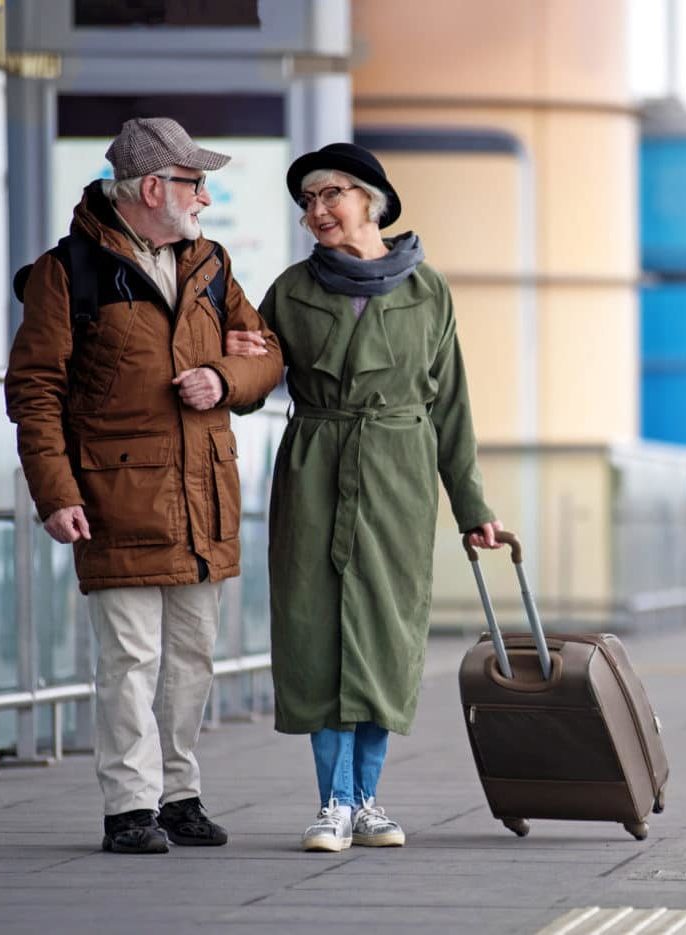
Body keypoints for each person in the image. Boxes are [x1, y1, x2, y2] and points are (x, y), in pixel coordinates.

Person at [5, 117, 284, 855]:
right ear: (154, 187)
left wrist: (224, 375)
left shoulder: (212, 263)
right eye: (197, 183)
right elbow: (34, 390)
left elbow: (268, 359)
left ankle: (180, 792)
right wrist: (56, 492)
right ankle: (130, 805)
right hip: (113, 499)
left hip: (203, 498)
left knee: (191, 658)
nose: (206, 199)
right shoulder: (68, 274)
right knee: (130, 659)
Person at [225, 142, 501, 853]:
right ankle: (332, 802)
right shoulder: (288, 290)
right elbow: (253, 383)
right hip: (315, 464)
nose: (317, 212)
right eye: (307, 202)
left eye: (330, 195)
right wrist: (230, 364)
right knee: (314, 628)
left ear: (370, 201)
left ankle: (368, 797)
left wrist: (472, 509)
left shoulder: (428, 290)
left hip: (397, 473)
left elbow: (453, 406)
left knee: (385, 630)